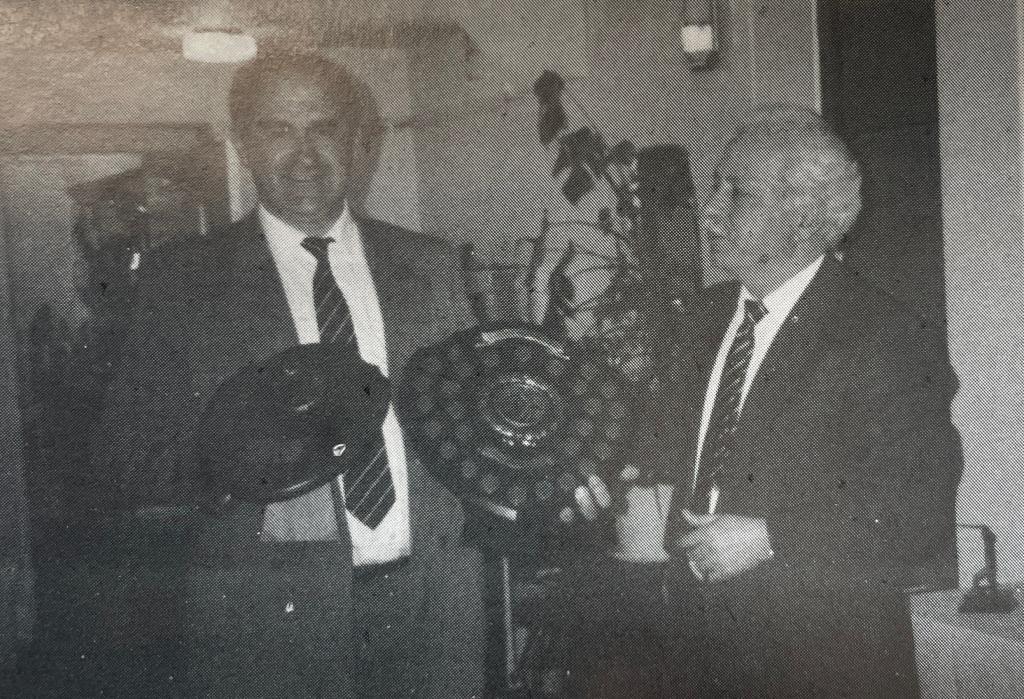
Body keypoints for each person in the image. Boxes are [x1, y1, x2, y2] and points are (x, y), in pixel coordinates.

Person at [93, 52, 483, 697]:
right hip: (268, 616)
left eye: (323, 128)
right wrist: (250, 478)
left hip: (433, 603)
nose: (304, 154)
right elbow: (124, 453)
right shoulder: (182, 282)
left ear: (357, 142)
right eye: (277, 131)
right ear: (243, 145)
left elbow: (467, 419)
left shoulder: (432, 266)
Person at [571, 105, 963, 698]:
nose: (710, 211)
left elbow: (919, 510)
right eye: (715, 189)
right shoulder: (700, 320)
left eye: (737, 195)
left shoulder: (885, 334)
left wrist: (774, 536)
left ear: (802, 221)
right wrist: (618, 483)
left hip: (825, 664)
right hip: (702, 656)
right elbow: (662, 454)